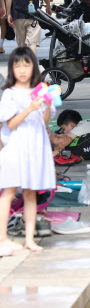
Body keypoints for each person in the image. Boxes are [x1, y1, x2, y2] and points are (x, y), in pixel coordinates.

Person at [0, 47, 56, 255]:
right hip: (15, 148)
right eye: (17, 65)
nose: (22, 70)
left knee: (31, 193)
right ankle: (2, 238)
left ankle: (30, 239)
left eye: (26, 65)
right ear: (11, 69)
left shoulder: (40, 90)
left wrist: (47, 105)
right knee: (9, 192)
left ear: (34, 67)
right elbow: (11, 124)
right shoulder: (9, 94)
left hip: (36, 149)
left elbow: (44, 121)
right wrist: (30, 108)